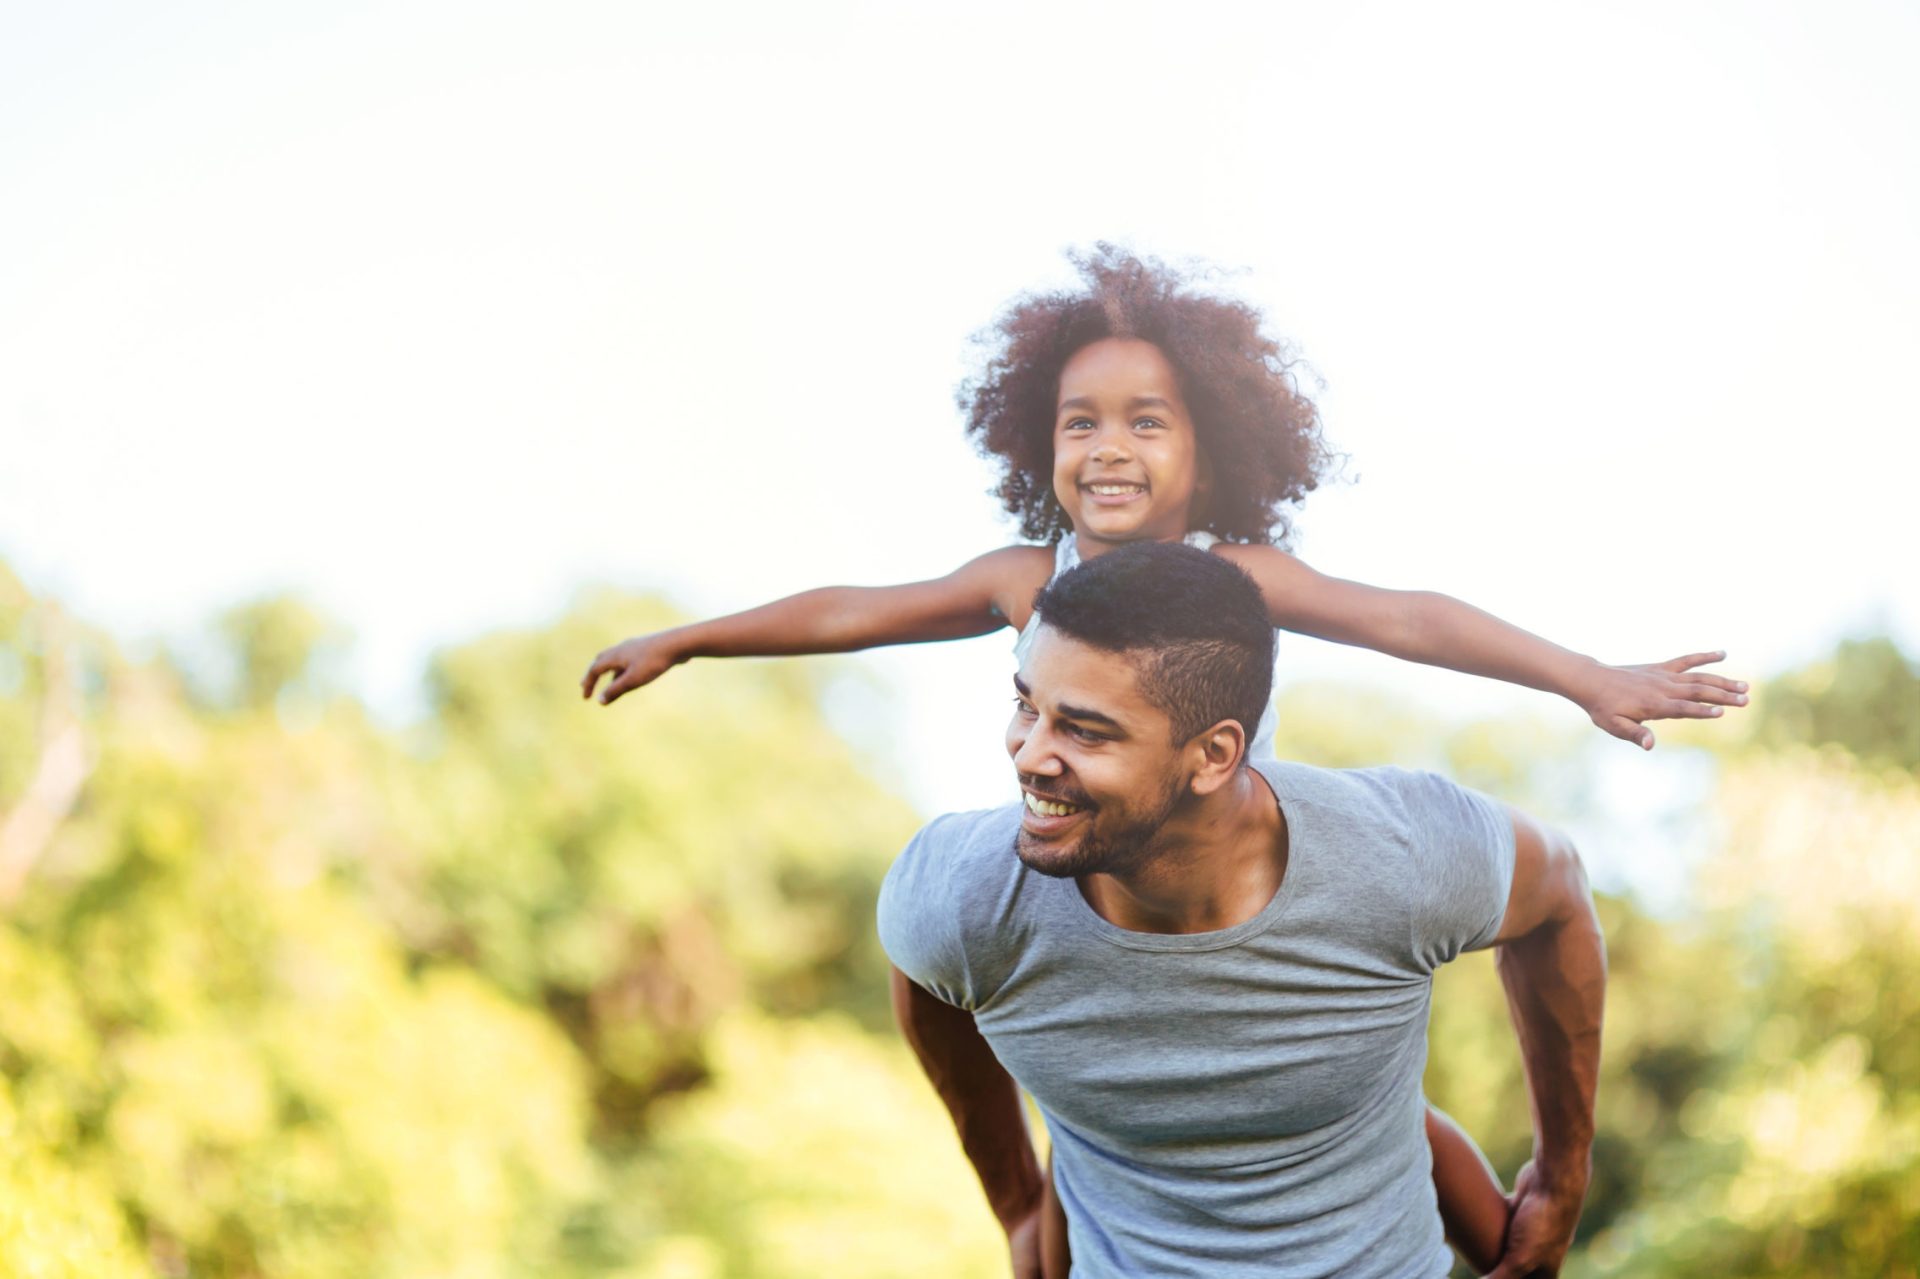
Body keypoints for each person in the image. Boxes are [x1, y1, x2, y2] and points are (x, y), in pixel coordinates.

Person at [580, 245, 1727, 1266]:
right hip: (1106, 914)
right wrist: (691, 639)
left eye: (1147, 420)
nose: (1109, 447)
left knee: (1380, 1109)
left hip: (1241, 918)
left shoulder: (1241, 576)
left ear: (1209, 447)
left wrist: (1585, 675)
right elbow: (856, 610)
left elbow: (1410, 618)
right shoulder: (1023, 580)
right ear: (1042, 439)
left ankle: (1514, 1250)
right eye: (1081, 421)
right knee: (1113, 1140)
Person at [879, 542, 1606, 1277]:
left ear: (1214, 754)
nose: (1028, 755)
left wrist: (1562, 1176)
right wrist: (1019, 1203)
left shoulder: (1398, 852)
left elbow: (1560, 896)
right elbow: (921, 970)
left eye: (1084, 729)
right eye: (1025, 706)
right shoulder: (965, 894)